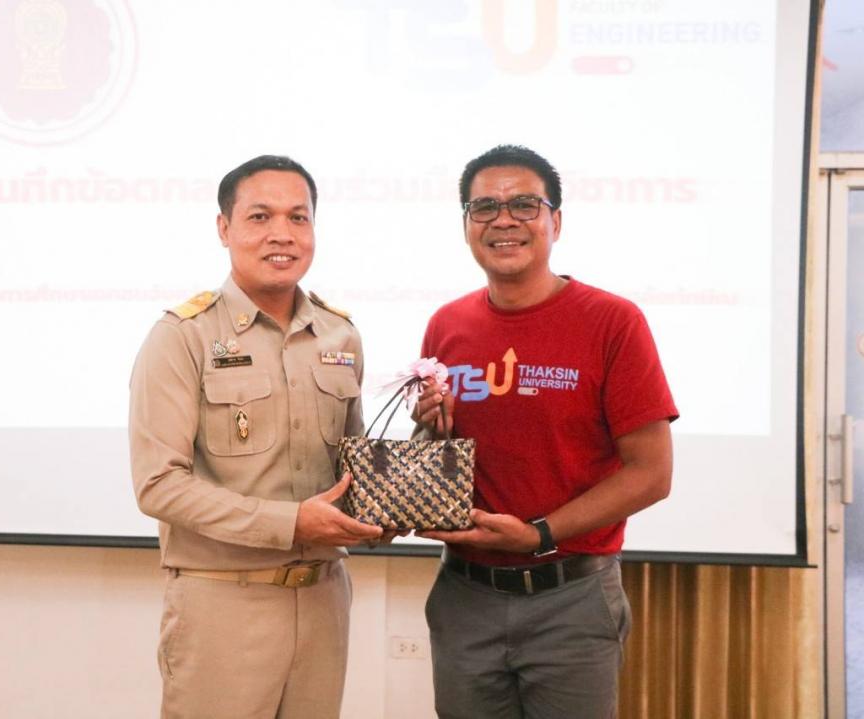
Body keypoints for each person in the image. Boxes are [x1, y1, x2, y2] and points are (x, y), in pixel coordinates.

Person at [413, 144, 678, 719]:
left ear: (555, 221)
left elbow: (652, 474)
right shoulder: (446, 324)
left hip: (572, 600)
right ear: (466, 225)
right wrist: (431, 428)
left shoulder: (613, 321)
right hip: (464, 597)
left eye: (524, 205)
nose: (503, 220)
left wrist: (538, 534)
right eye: (484, 207)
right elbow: (440, 457)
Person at [128, 155, 382, 719]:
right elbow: (158, 485)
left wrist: (416, 457)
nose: (282, 234)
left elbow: (353, 470)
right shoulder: (184, 336)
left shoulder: (339, 334)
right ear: (225, 228)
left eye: (298, 217)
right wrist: (291, 523)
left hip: (323, 599)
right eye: (260, 217)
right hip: (223, 602)